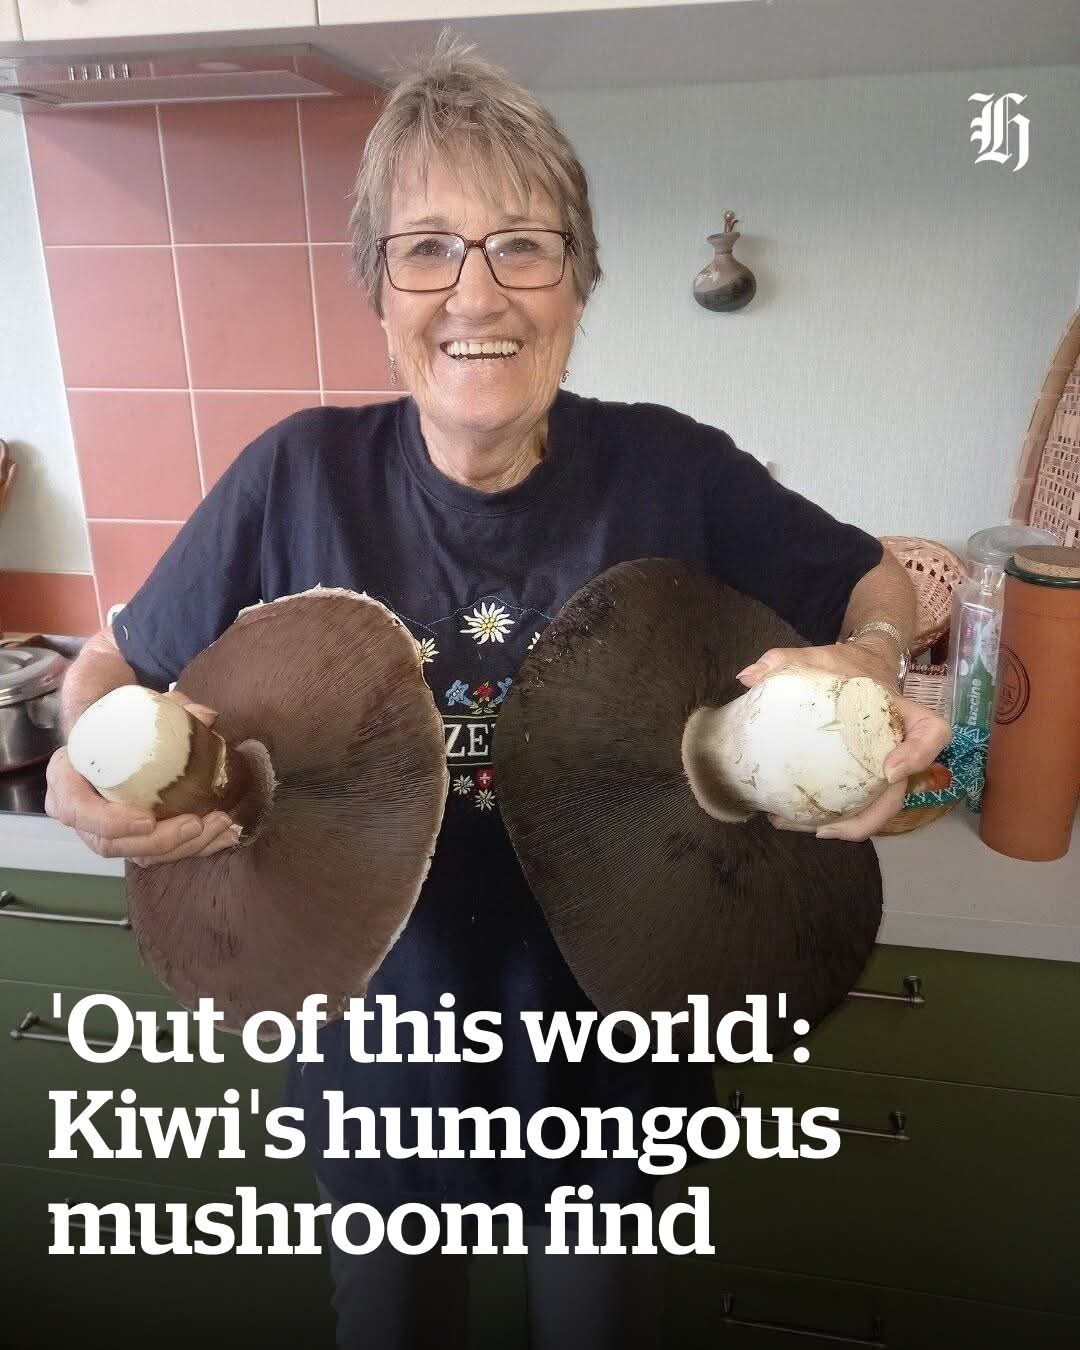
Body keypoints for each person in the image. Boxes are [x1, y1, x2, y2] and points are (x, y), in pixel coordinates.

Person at [45, 34, 949, 1350]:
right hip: (378, 1072)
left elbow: (883, 583)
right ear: (379, 289)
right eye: (427, 248)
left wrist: (868, 664)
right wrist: (84, 759)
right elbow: (111, 666)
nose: (480, 292)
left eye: (525, 244)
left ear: (578, 281)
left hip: (614, 1073)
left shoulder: (673, 472)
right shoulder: (296, 476)